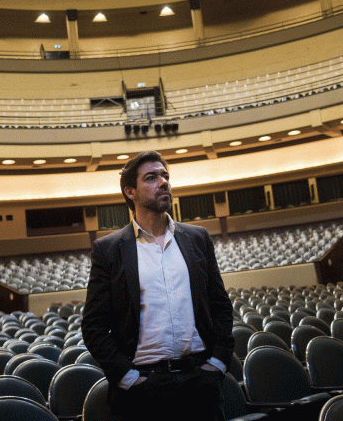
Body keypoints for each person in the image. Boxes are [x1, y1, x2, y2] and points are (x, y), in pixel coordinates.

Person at [82, 151, 234, 421]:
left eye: (165, 176)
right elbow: (94, 327)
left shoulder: (197, 238)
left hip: (200, 381)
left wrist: (218, 362)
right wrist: (128, 378)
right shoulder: (108, 250)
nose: (163, 182)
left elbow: (220, 305)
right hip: (143, 388)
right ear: (130, 191)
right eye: (151, 178)